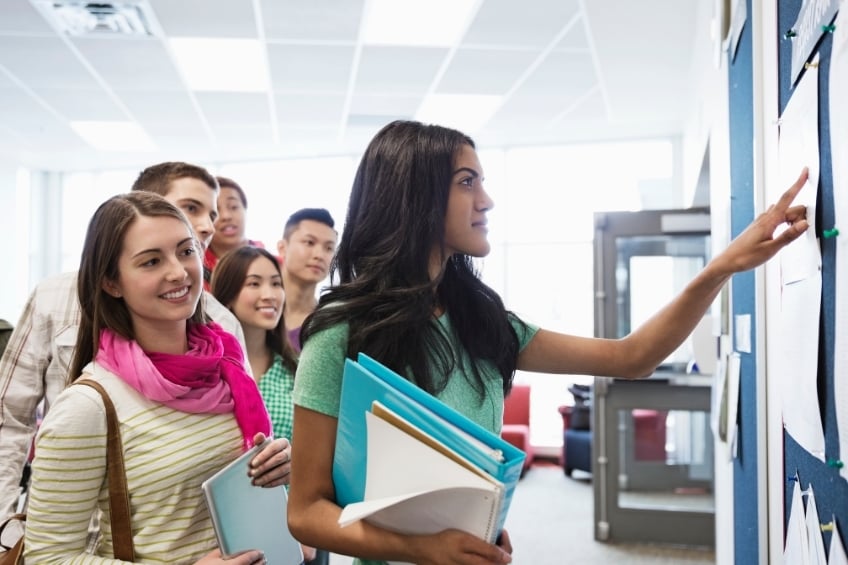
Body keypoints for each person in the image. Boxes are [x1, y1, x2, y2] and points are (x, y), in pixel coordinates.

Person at [286, 120, 810, 565]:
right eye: (467, 182)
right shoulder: (340, 335)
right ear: (415, 197)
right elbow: (306, 512)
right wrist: (420, 548)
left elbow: (631, 357)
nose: (486, 200)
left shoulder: (483, 321)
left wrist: (720, 269)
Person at [24, 192, 289, 563]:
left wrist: (278, 472)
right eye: (151, 261)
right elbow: (47, 557)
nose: (179, 272)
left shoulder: (225, 365)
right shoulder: (89, 406)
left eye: (186, 251)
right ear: (111, 283)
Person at [0, 161, 252, 528]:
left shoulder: (221, 326)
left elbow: (232, 445)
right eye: (191, 208)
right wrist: (5, 522)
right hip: (72, 523)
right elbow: (10, 417)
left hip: (172, 531)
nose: (207, 225)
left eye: (211, 213)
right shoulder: (56, 299)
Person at [210, 246, 323, 563]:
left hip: (292, 536)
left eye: (276, 283)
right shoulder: (209, 375)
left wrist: (305, 530)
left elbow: (319, 457)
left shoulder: (299, 371)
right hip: (218, 531)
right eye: (254, 283)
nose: (270, 294)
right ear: (228, 294)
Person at [276, 208, 337, 352]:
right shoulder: (254, 307)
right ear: (282, 248)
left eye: (329, 248)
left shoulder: (326, 323)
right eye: (309, 242)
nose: (319, 255)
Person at [204, 176, 267, 288]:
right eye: (216, 210)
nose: (226, 216)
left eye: (233, 207)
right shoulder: (194, 268)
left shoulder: (272, 263)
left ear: (245, 209)